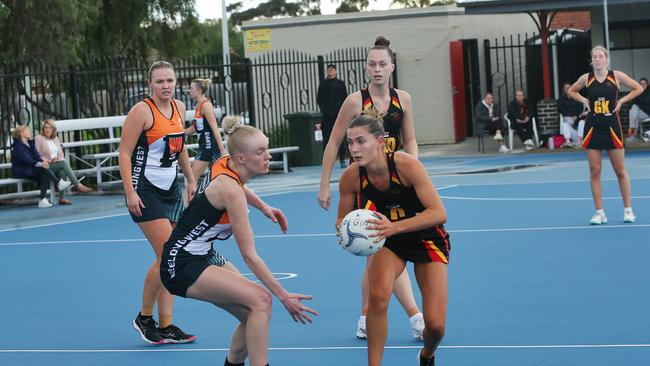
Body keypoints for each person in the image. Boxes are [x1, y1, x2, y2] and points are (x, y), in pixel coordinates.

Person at [161, 116, 317, 366]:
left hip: (202, 253)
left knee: (251, 312)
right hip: (180, 263)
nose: (268, 156)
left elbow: (239, 184)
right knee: (262, 300)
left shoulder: (225, 162)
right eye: (260, 151)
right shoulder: (230, 192)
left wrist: (264, 206)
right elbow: (249, 256)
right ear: (242, 158)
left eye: (267, 149)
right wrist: (284, 296)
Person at [317, 36, 425, 340]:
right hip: (365, 185)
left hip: (395, 182)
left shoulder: (403, 99)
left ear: (392, 66)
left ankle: (365, 317)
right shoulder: (355, 101)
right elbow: (334, 141)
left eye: (382, 63)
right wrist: (325, 184)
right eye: (372, 64)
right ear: (366, 68)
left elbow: (411, 139)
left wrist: (411, 169)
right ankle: (416, 317)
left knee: (373, 251)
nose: (377, 69)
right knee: (383, 246)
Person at [337, 113, 449, 366]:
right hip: (386, 239)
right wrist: (346, 232)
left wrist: (394, 227)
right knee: (377, 297)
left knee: (436, 326)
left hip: (426, 237)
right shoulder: (351, 177)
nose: (354, 149)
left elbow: (438, 213)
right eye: (350, 143)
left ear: (379, 141)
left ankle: (427, 355)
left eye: (360, 141)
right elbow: (341, 218)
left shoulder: (406, 165)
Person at [118, 61, 198, 344]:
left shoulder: (178, 107)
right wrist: (130, 192)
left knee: (168, 257)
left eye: (170, 80)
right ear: (150, 84)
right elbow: (125, 153)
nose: (165, 86)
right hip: (145, 190)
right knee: (168, 253)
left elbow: (179, 146)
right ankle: (144, 317)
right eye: (160, 81)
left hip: (170, 189)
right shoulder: (142, 111)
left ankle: (166, 325)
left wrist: (189, 178)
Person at [568, 45, 643, 225]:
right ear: (592, 59)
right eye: (595, 56)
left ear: (606, 59)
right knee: (595, 171)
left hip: (612, 127)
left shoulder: (616, 76)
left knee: (620, 171)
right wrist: (584, 100)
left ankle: (628, 210)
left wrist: (622, 101)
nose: (598, 59)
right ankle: (600, 213)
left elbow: (638, 88)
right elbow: (571, 90)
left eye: (601, 56)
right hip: (593, 126)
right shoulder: (586, 78)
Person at [34, 118, 93, 205]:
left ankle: (62, 198)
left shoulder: (56, 139)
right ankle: (77, 185)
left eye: (50, 128)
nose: (47, 130)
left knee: (62, 171)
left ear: (53, 129)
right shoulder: (39, 138)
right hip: (45, 166)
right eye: (46, 128)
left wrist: (58, 158)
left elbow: (60, 153)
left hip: (57, 164)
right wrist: (50, 160)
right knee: (63, 163)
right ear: (43, 129)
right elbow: (36, 155)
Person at [10, 125, 72, 208]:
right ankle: (58, 183)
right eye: (27, 131)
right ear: (21, 133)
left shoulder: (30, 143)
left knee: (44, 174)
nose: (29, 132)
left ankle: (42, 200)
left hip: (31, 169)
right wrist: (41, 164)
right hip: (22, 171)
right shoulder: (18, 147)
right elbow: (27, 160)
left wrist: (43, 163)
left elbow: (37, 157)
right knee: (43, 169)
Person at [184, 78, 227, 182]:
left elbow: (215, 128)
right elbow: (195, 128)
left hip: (208, 148)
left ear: (199, 90)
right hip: (206, 147)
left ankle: (187, 199)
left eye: (191, 88)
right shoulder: (198, 106)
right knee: (218, 181)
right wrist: (179, 132)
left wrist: (222, 150)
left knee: (192, 180)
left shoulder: (206, 105)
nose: (189, 90)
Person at [317, 63, 348, 167]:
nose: (330, 71)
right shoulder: (323, 85)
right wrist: (325, 111)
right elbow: (319, 100)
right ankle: (328, 161)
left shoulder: (340, 84)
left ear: (336, 71)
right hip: (327, 117)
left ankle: (342, 159)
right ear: (327, 71)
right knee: (327, 139)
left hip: (339, 116)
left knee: (341, 138)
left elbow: (345, 98)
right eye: (329, 69)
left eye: (332, 69)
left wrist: (342, 112)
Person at [557, 82, 588, 147]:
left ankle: (580, 140)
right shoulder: (561, 99)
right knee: (565, 124)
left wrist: (576, 116)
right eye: (566, 88)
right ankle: (567, 141)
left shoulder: (576, 97)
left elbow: (580, 107)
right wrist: (571, 116)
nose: (567, 89)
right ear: (563, 89)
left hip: (578, 121)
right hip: (568, 119)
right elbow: (561, 109)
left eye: (569, 87)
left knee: (582, 122)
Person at [626, 77, 650, 142]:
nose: (643, 85)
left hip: (648, 113)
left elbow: (646, 100)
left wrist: (637, 100)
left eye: (644, 83)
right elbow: (632, 103)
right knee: (634, 109)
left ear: (647, 84)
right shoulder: (637, 91)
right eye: (641, 84)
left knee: (634, 113)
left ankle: (633, 136)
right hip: (641, 113)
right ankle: (633, 136)